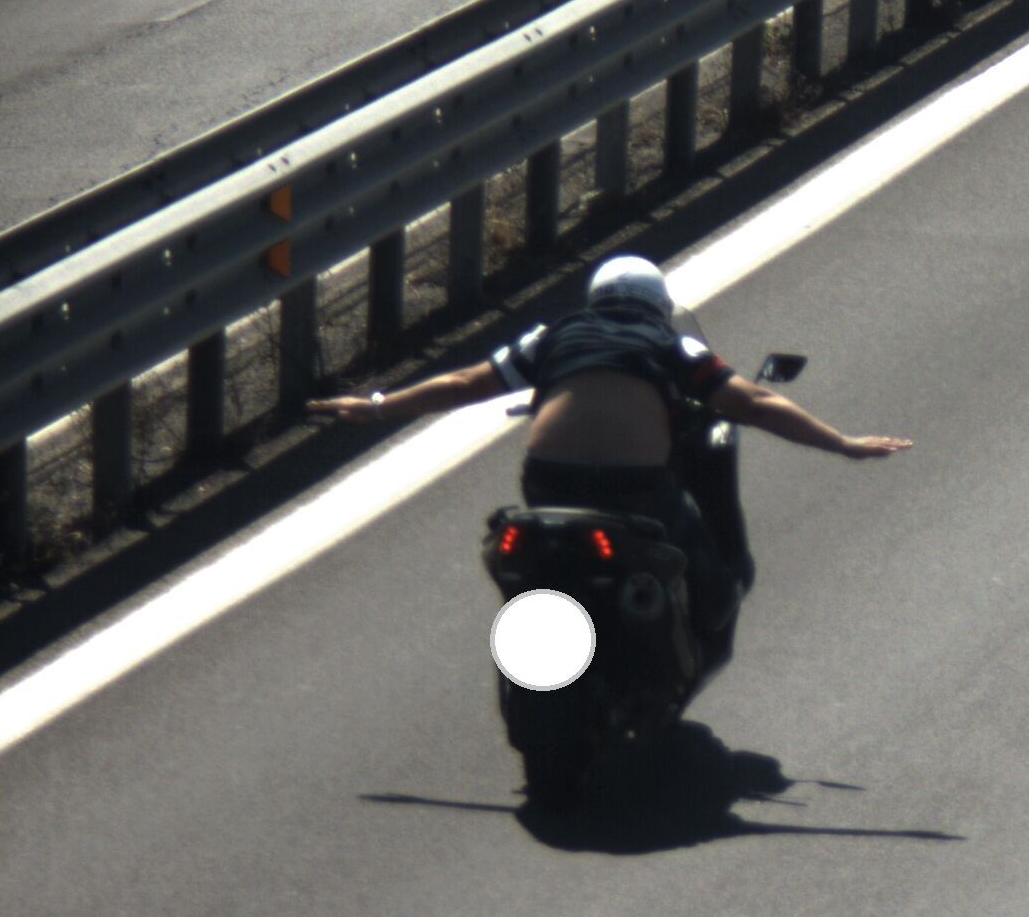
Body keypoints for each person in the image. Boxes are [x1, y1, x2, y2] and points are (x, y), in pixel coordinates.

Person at [309, 255, 910, 644]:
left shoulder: (554, 336)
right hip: (634, 490)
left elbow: (464, 384)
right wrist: (842, 444)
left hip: (547, 484)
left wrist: (379, 404)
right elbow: (754, 404)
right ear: (659, 307)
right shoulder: (673, 347)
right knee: (709, 567)